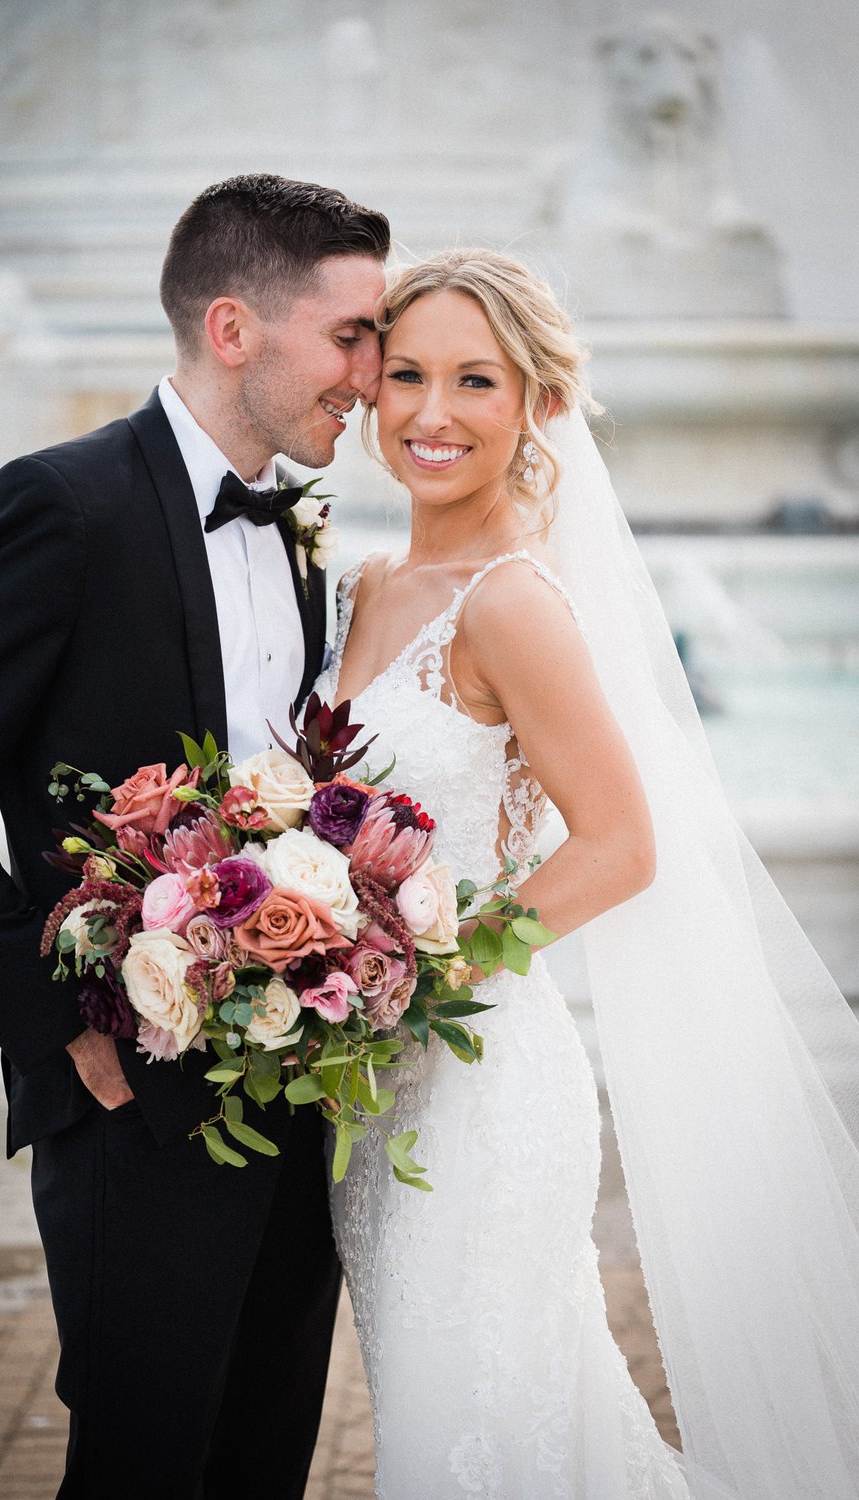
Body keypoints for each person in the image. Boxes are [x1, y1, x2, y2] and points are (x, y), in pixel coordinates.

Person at [0, 173, 389, 1499]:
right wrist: (60, 1028)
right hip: (133, 1106)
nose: (372, 378)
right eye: (351, 337)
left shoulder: (306, 533)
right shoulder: (65, 504)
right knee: (143, 1467)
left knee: (261, 1459)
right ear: (232, 330)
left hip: (293, 1098)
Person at [315, 249, 859, 1498]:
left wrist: (422, 970)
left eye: (473, 381)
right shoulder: (364, 586)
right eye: (404, 375)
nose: (430, 414)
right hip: (369, 1091)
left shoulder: (512, 605)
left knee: (479, 1437)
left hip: (478, 1083)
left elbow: (619, 844)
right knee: (478, 1423)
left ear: (538, 405)